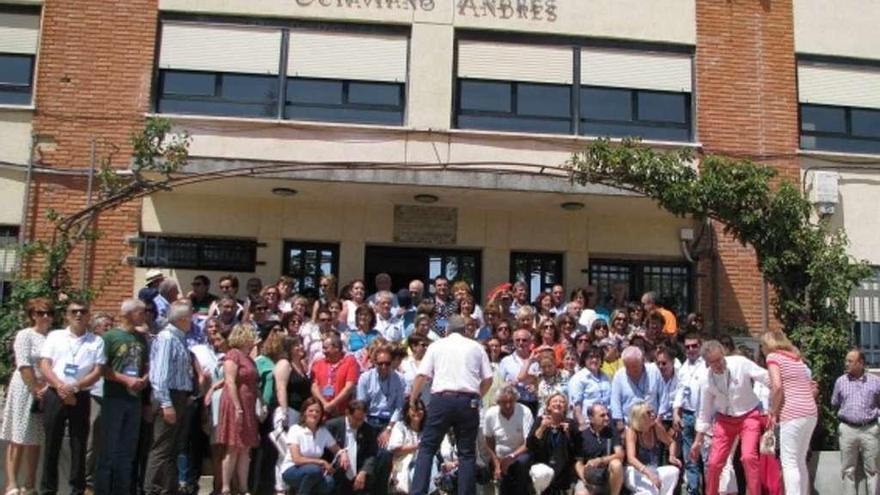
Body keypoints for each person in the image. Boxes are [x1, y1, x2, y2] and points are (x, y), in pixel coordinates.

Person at [409, 315, 494, 495]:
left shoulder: (436, 345)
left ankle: (417, 492)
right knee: (467, 453)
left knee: (427, 448)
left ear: (447, 331)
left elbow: (421, 375)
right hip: (468, 400)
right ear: (465, 330)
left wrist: (413, 399)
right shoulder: (476, 347)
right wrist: (477, 395)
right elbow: (488, 378)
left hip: (442, 399)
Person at [38, 300, 106, 495]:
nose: (78, 315)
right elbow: (45, 364)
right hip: (55, 393)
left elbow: (98, 370)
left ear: (88, 316)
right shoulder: (55, 336)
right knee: (52, 443)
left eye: (82, 311)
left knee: (79, 442)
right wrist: (60, 386)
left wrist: (75, 387)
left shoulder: (96, 341)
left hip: (81, 395)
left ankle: (77, 489)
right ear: (67, 316)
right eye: (74, 311)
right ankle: (48, 490)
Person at [690, 339, 769, 495]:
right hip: (724, 420)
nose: (718, 364)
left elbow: (766, 377)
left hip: (749, 415)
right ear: (707, 363)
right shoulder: (706, 379)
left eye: (719, 359)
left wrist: (778, 400)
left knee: (748, 457)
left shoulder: (740, 363)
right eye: (713, 362)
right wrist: (698, 441)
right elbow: (704, 412)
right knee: (713, 463)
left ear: (723, 354)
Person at [95, 298, 150, 495]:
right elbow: (102, 368)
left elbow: (145, 364)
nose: (145, 315)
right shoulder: (110, 338)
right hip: (115, 397)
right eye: (141, 312)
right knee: (109, 448)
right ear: (128, 314)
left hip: (134, 399)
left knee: (128, 450)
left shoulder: (141, 339)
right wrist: (125, 379)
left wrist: (144, 377)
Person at [0, 298, 53, 495]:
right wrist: (35, 388)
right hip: (25, 386)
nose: (45, 317)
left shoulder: (52, 337)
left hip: (45, 388)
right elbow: (23, 364)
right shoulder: (25, 335)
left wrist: (46, 388)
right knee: (19, 435)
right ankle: (11, 484)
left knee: (36, 437)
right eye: (40, 313)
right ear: (32, 315)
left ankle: (29, 483)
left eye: (48, 313)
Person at [144, 301, 195, 495]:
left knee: (174, 446)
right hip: (169, 395)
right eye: (190, 317)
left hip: (179, 395)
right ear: (182, 319)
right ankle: (153, 489)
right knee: (162, 446)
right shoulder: (167, 338)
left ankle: (168, 487)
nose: (192, 321)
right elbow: (160, 374)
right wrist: (166, 403)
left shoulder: (180, 338)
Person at [760, 330, 817, 495]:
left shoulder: (773, 358)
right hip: (809, 412)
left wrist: (773, 411)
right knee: (800, 461)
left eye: (762, 346)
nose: (762, 350)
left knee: (789, 462)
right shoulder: (796, 359)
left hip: (792, 412)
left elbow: (777, 387)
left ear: (767, 345)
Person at [216, 324, 260, 495]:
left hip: (248, 403)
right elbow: (230, 381)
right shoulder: (233, 355)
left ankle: (243, 487)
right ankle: (226, 487)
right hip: (236, 402)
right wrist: (237, 407)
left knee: (245, 447)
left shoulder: (248, 358)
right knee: (233, 446)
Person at [831, 348, 880, 495]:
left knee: (873, 470)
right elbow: (835, 402)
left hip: (869, 429)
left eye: (850, 361)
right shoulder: (840, 381)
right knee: (848, 470)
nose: (846, 364)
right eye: (846, 360)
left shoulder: (875, 381)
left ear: (861, 363)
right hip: (847, 429)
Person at [280, 398, 350, 494]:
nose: (314, 414)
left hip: (314, 473)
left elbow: (337, 449)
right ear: (304, 412)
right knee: (314, 470)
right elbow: (297, 459)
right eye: (311, 411)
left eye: (317, 411)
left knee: (329, 482)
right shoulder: (295, 429)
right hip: (292, 469)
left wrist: (343, 454)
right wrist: (321, 462)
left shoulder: (323, 431)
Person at [323, 400, 392, 495]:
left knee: (385, 456)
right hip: (336, 469)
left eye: (362, 419)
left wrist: (364, 471)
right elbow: (324, 451)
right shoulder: (332, 426)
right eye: (356, 419)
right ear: (347, 413)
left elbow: (371, 454)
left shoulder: (368, 430)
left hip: (358, 469)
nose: (359, 423)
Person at [525, 393, 583, 494]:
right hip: (542, 469)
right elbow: (530, 445)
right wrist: (542, 428)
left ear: (565, 407)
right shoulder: (540, 420)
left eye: (562, 402)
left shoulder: (571, 424)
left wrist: (568, 434)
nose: (558, 403)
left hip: (563, 469)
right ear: (548, 406)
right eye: (555, 401)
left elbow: (578, 450)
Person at [482, 386, 533, 495]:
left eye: (511, 401)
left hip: (520, 453)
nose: (508, 405)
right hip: (500, 454)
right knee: (503, 482)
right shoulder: (490, 414)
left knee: (520, 465)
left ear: (516, 400)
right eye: (504, 402)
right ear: (498, 402)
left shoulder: (525, 412)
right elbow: (488, 441)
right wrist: (496, 463)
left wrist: (511, 457)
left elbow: (528, 442)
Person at [671, 332, 705, 495]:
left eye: (694, 346)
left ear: (700, 346)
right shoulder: (683, 367)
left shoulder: (707, 365)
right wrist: (676, 413)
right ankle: (693, 491)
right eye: (687, 347)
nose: (691, 349)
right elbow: (679, 391)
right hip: (687, 415)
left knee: (706, 458)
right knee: (690, 458)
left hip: (704, 417)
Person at [623, 402, 681, 495]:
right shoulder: (632, 431)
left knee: (673, 471)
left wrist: (672, 456)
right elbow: (631, 459)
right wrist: (648, 473)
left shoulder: (655, 427)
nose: (653, 415)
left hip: (653, 469)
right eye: (648, 413)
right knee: (649, 491)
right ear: (640, 417)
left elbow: (671, 442)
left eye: (653, 412)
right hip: (635, 470)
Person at [356, 345, 405, 445]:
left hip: (390, 421)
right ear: (374, 363)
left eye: (387, 363)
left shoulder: (400, 379)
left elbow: (399, 407)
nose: (384, 367)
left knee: (386, 451)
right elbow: (361, 404)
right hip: (369, 419)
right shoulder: (365, 378)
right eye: (380, 364)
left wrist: (389, 429)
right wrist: (366, 427)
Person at [574, 403, 624, 495]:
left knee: (616, 464)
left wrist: (601, 460)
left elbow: (620, 455)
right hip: (590, 478)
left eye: (607, 415)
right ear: (591, 418)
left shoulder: (612, 432)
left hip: (608, 477)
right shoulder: (582, 436)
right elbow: (578, 463)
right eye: (602, 415)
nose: (607, 418)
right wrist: (585, 480)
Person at [609, 346, 662, 432]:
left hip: (653, 424)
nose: (632, 370)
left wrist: (659, 418)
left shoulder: (654, 371)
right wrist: (619, 424)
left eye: (635, 367)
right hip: (629, 426)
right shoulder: (619, 375)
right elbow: (615, 402)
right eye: (629, 367)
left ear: (643, 361)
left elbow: (663, 397)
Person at [311, 333, 360, 418]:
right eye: (323, 348)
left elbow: (349, 387)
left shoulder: (350, 362)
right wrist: (325, 404)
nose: (323, 351)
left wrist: (333, 404)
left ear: (337, 348)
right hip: (322, 412)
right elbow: (314, 386)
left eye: (326, 348)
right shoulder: (318, 363)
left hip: (342, 412)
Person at [388, 399, 426, 494]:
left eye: (420, 409)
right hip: (402, 463)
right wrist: (417, 446)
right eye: (414, 409)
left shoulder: (426, 430)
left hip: (422, 463)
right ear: (407, 412)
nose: (417, 412)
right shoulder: (400, 426)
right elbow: (395, 449)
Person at [569, 346, 612, 430]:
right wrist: (582, 423)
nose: (594, 360)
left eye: (597, 357)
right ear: (584, 359)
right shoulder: (578, 378)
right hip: (588, 425)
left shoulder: (605, 377)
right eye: (591, 357)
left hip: (606, 423)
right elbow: (576, 404)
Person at [499, 328, 540, 414]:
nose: (521, 343)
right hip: (513, 403)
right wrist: (509, 385)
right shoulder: (506, 361)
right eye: (517, 340)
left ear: (530, 342)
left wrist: (536, 388)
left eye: (524, 340)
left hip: (533, 403)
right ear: (513, 342)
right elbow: (499, 384)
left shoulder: (537, 360)